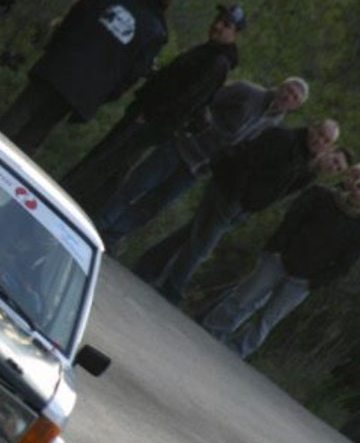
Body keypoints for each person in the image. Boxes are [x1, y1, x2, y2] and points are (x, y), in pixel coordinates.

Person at [62, 4, 244, 210]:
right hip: (148, 114)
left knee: (107, 162)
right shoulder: (207, 52)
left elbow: (189, 100)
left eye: (226, 24)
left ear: (235, 33)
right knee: (112, 162)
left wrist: (150, 115)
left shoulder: (218, 62)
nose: (218, 25)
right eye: (218, 19)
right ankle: (80, 202)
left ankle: (67, 200)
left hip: (153, 121)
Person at [96, 76, 307, 252]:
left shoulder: (275, 126)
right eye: (288, 90)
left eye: (294, 97)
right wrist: (203, 125)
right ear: (281, 86)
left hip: (200, 168)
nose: (288, 97)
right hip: (182, 147)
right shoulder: (248, 92)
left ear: (297, 106)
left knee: (154, 204)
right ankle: (100, 224)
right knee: (136, 186)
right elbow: (210, 101)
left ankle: (113, 235)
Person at [149, 119, 350, 304]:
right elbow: (247, 161)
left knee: (192, 233)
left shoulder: (307, 167)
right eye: (320, 134)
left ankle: (149, 266)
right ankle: (173, 286)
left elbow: (277, 192)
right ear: (312, 128)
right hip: (229, 191)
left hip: (245, 206)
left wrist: (250, 208)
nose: (320, 141)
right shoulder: (284, 138)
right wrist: (237, 199)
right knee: (204, 243)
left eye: (326, 140)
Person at [0, 0, 172, 155]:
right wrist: (109, 94)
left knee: (20, 111)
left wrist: (55, 47)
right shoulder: (155, 33)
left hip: (61, 63)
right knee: (41, 126)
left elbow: (74, 16)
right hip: (87, 88)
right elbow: (134, 72)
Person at [201, 177, 360, 358]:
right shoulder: (323, 196)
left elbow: (344, 265)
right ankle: (212, 330)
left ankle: (236, 351)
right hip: (280, 260)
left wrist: (314, 282)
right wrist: (276, 250)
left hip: (303, 280)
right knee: (244, 298)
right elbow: (292, 219)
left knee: (268, 319)